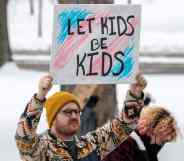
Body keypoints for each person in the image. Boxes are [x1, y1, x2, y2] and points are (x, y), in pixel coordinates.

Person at [15, 74, 137, 161]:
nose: (74, 116)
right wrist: (40, 96)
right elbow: (23, 138)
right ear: (53, 118)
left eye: (77, 112)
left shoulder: (89, 144)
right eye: (68, 112)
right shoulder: (40, 148)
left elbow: (122, 128)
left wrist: (135, 94)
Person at [102, 105, 178, 161]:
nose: (161, 144)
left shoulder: (148, 154)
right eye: (163, 140)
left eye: (166, 141)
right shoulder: (125, 142)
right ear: (153, 129)